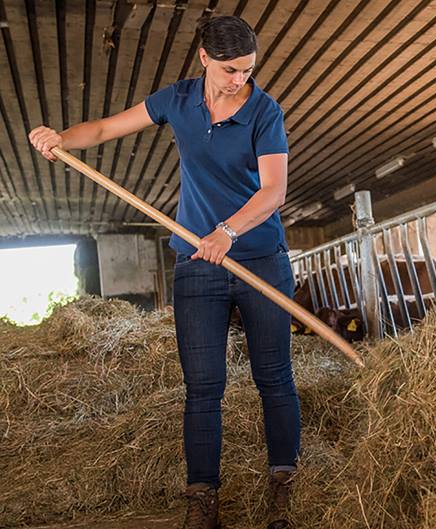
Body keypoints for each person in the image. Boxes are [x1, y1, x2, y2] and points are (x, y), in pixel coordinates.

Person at [29, 15, 299, 529]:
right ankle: (202, 501)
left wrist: (229, 231)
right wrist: (60, 138)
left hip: (260, 257)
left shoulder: (266, 112)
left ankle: (283, 487)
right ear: (203, 58)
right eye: (229, 69)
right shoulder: (176, 100)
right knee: (203, 385)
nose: (239, 79)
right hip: (197, 262)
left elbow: (273, 192)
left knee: (273, 378)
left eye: (247, 69)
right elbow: (107, 128)